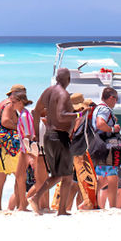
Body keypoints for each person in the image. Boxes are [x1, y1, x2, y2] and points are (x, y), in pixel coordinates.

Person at [35, 68, 79, 215]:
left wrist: (36, 135)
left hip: (48, 137)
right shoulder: (63, 94)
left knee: (57, 175)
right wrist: (78, 114)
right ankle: (59, 210)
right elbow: (61, 116)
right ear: (68, 80)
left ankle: (40, 201)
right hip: (60, 137)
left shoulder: (48, 91)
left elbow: (35, 112)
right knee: (66, 176)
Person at [0, 83, 27, 210]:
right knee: (20, 176)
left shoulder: (2, 103)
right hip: (6, 146)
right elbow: (5, 121)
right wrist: (20, 128)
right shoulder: (10, 104)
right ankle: (21, 206)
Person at [90, 88, 121, 209]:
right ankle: (113, 207)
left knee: (102, 178)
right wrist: (113, 129)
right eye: (116, 99)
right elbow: (100, 123)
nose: (116, 102)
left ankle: (92, 201)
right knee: (112, 177)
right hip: (107, 146)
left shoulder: (98, 108)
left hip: (98, 144)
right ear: (111, 98)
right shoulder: (104, 109)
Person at [67, 93, 100, 211]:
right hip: (80, 153)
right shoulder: (80, 118)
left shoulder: (72, 116)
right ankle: (82, 205)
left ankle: (71, 206)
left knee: (76, 183)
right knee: (82, 182)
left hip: (73, 152)